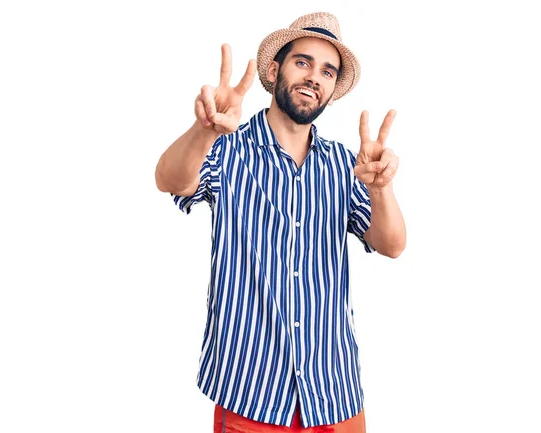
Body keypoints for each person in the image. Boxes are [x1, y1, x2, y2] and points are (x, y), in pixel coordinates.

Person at [155, 11, 406, 433]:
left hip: (333, 391)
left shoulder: (346, 167)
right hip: (251, 390)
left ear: (331, 91)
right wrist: (204, 132)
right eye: (303, 62)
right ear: (275, 70)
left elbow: (393, 244)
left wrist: (380, 189)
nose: (314, 77)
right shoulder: (228, 149)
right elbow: (170, 179)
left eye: (327, 71)